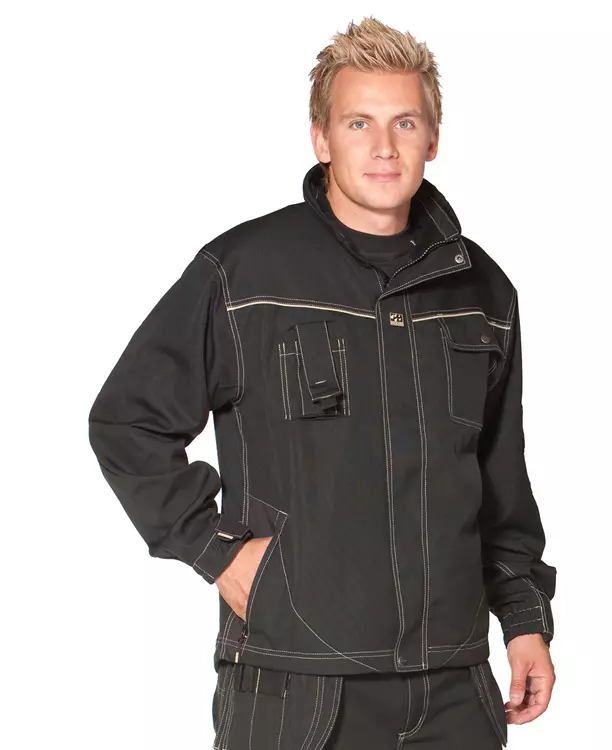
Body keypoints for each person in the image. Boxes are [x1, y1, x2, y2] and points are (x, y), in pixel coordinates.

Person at [88, 15, 557, 749]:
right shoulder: (243, 274)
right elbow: (128, 423)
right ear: (321, 137)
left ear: (433, 138)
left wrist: (524, 620)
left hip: (454, 687)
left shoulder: (481, 291)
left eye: (405, 123)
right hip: (298, 687)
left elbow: (501, 479)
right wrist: (217, 549)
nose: (383, 146)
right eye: (358, 122)